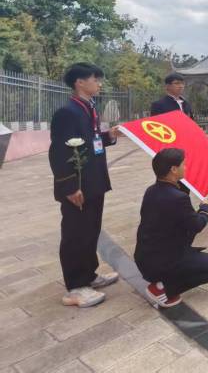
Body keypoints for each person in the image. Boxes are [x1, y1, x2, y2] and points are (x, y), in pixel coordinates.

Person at [49, 62, 122, 308]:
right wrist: (69, 187)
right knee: (75, 234)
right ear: (80, 82)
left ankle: (89, 275)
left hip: (93, 181)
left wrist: (109, 136)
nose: (99, 83)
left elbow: (88, 141)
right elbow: (59, 152)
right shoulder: (67, 112)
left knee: (91, 230)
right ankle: (75, 287)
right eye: (95, 79)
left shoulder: (88, 108)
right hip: (77, 186)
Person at [135, 148, 208, 308]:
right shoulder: (178, 197)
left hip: (145, 258)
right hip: (161, 262)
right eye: (183, 165)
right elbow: (197, 224)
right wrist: (204, 207)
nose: (186, 167)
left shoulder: (151, 190)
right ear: (173, 169)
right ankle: (164, 290)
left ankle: (165, 281)